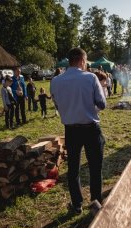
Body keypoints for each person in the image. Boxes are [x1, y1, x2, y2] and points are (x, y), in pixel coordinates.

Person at [50, 47, 106, 214]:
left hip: (71, 130)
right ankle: (96, 202)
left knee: (73, 169)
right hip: (90, 129)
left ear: (70, 61)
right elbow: (102, 104)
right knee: (95, 167)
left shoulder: (55, 81)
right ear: (82, 60)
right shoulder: (90, 77)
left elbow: (57, 105)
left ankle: (77, 204)